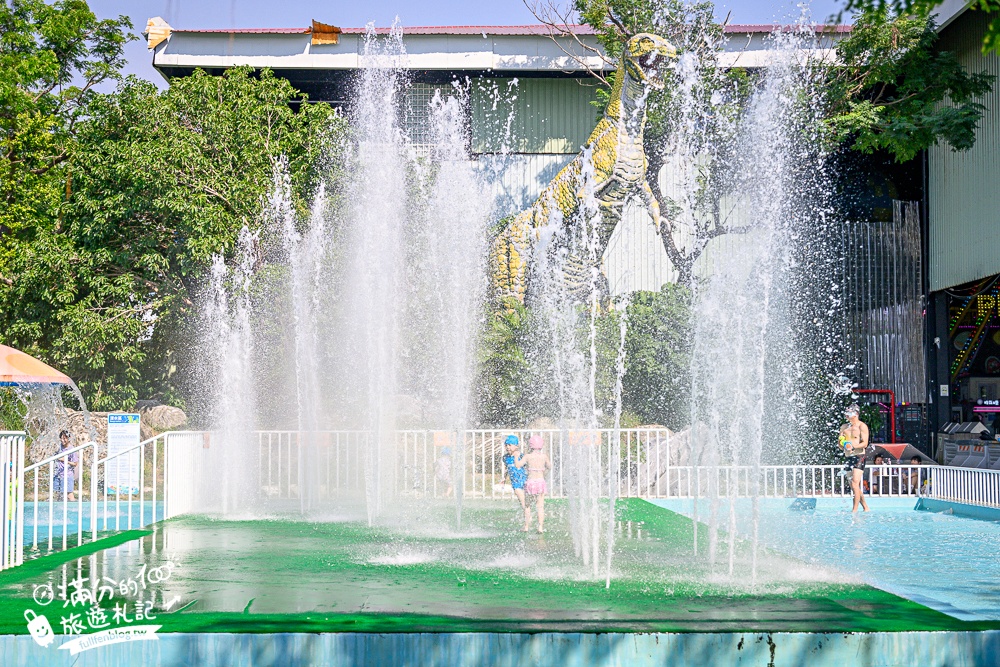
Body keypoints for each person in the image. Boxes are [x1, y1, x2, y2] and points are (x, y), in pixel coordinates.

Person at [839, 405, 869, 512]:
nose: (846, 415)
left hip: (859, 456)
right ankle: (865, 507)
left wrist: (853, 446)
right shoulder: (844, 427)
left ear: (855, 414)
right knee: (853, 486)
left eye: (849, 413)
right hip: (848, 457)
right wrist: (844, 445)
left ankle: (854, 510)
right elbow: (840, 443)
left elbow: (865, 443)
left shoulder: (862, 426)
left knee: (855, 483)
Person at [501, 435, 530, 531]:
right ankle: (527, 524)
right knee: (524, 504)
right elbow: (507, 468)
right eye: (506, 445)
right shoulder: (505, 457)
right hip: (516, 484)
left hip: (525, 482)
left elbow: (528, 468)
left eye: (510, 445)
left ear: (516, 446)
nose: (507, 447)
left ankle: (528, 520)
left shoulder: (521, 456)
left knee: (527, 503)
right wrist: (504, 478)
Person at [522, 435, 551, 533]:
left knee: (527, 505)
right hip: (540, 482)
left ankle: (526, 527)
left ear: (530, 445)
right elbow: (550, 466)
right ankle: (540, 527)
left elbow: (519, 465)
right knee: (540, 506)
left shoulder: (527, 456)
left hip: (530, 482)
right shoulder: (544, 456)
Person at [54, 430, 78, 502]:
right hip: (58, 473)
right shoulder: (60, 446)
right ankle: (59, 509)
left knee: (69, 494)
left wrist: (64, 460)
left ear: (68, 438)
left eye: (64, 438)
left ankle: (75, 509)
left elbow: (75, 463)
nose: (62, 440)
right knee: (58, 494)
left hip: (67, 475)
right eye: (61, 438)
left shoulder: (72, 449)